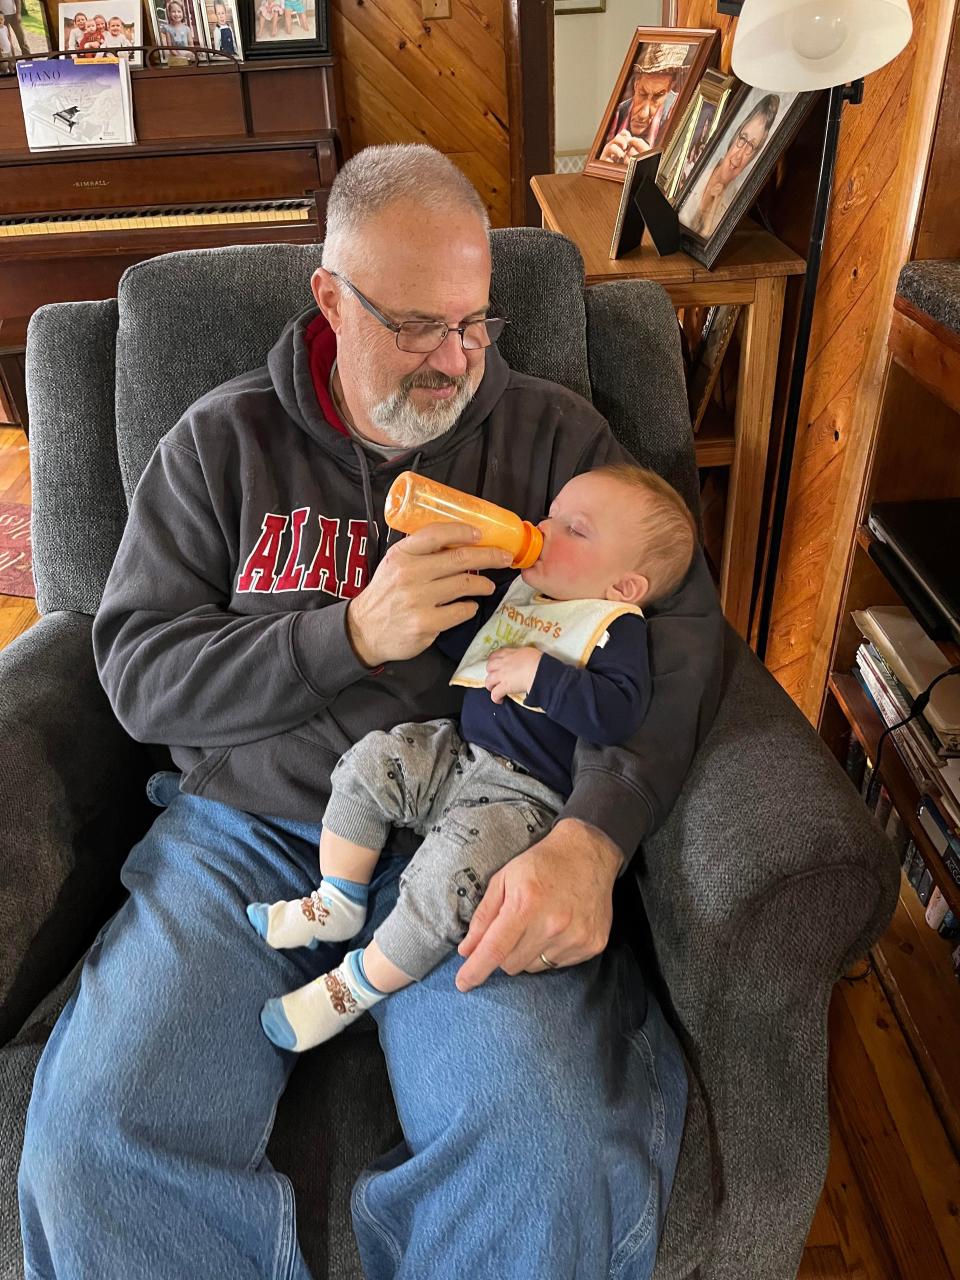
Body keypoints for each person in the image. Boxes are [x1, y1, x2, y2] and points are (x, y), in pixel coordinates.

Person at [19, 143, 724, 1280]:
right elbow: (137, 670)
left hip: (481, 825)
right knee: (97, 1141)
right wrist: (341, 635)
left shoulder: (551, 440)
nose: (454, 364)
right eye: (415, 328)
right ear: (330, 300)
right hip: (244, 831)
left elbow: (682, 628)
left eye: (476, 324)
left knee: (541, 1144)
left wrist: (597, 837)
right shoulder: (218, 442)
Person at [250, 463, 697, 1052]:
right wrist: (424, 608)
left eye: (574, 530)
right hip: (460, 752)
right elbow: (470, 643)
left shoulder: (615, 629)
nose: (544, 527)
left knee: (444, 884)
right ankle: (337, 897)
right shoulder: (527, 599)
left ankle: (352, 986)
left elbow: (617, 713)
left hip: (523, 798)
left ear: (623, 587)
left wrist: (541, 675)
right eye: (551, 514)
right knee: (372, 762)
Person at [681, 93, 780, 239]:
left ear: (754, 156)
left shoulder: (735, 206)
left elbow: (705, 245)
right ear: (735, 136)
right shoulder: (694, 166)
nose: (739, 156)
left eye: (751, 146)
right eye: (743, 138)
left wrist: (716, 204)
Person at [599, 41, 690, 166]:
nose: (643, 114)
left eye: (658, 96)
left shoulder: (681, 116)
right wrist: (602, 164)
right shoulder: (618, 112)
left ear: (671, 88)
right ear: (635, 84)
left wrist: (653, 168)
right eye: (642, 93)